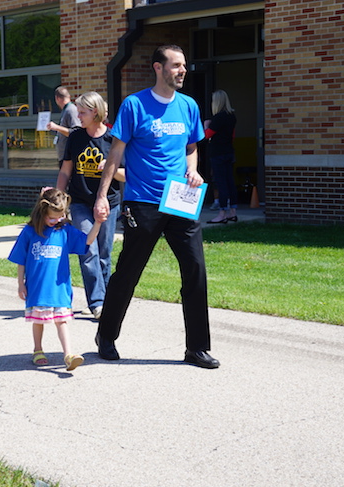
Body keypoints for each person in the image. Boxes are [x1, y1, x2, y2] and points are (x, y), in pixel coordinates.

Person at [92, 44, 220, 369]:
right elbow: (115, 155)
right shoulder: (135, 105)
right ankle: (106, 335)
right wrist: (102, 196)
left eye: (184, 66)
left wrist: (192, 169)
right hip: (143, 201)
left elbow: (191, 146)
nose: (182, 71)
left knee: (195, 270)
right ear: (158, 68)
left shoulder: (189, 106)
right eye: (176, 65)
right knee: (129, 273)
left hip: (180, 200)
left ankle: (197, 348)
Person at [8, 188, 104, 371]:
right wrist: (21, 283)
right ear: (41, 212)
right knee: (39, 320)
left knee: (62, 320)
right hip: (37, 286)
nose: (56, 221)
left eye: (59, 217)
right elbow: (20, 259)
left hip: (59, 287)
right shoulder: (29, 232)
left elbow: (87, 241)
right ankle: (37, 349)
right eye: (52, 218)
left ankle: (68, 355)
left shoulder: (65, 230)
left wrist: (98, 223)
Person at [56, 91, 124, 320]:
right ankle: (96, 302)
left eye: (82, 112)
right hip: (80, 203)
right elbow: (66, 170)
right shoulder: (75, 137)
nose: (78, 117)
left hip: (108, 203)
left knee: (104, 253)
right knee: (87, 250)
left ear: (95, 112)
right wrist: (58, 199)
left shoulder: (113, 138)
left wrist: (110, 168)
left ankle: (103, 299)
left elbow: (128, 175)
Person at [204, 90, 238, 224]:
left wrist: (206, 125)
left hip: (218, 153)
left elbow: (207, 135)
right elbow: (233, 136)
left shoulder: (218, 118)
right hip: (229, 151)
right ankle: (233, 212)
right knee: (230, 182)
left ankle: (222, 213)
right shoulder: (231, 116)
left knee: (221, 183)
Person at [46, 86, 80, 168]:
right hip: (64, 157)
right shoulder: (66, 110)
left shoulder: (71, 110)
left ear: (57, 98)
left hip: (69, 157)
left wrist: (56, 127)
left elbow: (76, 132)